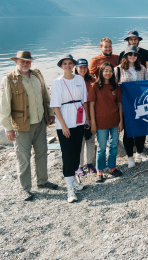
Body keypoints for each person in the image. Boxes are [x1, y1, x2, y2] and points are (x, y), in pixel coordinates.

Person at [0, 51, 58, 201]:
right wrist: (7, 127)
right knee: (23, 157)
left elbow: (45, 94)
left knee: (42, 152)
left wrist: (50, 113)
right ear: (16, 62)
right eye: (22, 61)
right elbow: (4, 105)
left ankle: (43, 181)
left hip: (40, 122)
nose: (25, 64)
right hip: (21, 126)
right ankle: (25, 189)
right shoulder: (9, 79)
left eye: (28, 62)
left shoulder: (37, 75)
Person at [50, 54, 88, 203]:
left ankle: (74, 180)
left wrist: (87, 118)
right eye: (65, 64)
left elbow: (84, 100)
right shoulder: (57, 82)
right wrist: (63, 125)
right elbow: (55, 106)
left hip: (78, 121)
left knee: (76, 151)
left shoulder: (79, 79)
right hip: (65, 123)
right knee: (67, 154)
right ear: (61, 66)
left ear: (74, 65)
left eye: (70, 63)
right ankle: (69, 188)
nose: (68, 66)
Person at [115, 45, 148, 167]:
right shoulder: (118, 70)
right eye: (130, 54)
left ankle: (139, 152)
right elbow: (113, 88)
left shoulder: (142, 69)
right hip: (126, 105)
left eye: (135, 54)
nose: (132, 56)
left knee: (141, 129)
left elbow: (147, 85)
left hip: (140, 104)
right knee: (128, 131)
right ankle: (130, 157)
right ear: (125, 56)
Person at [88, 62, 123, 182]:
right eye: (105, 70)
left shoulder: (115, 86)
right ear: (101, 72)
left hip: (114, 121)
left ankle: (112, 168)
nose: (108, 73)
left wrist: (121, 121)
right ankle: (99, 170)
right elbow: (91, 106)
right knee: (101, 147)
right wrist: (93, 123)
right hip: (101, 123)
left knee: (113, 146)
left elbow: (119, 104)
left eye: (110, 71)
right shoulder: (95, 86)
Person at [75, 59, 96, 177]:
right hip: (77, 115)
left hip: (91, 113)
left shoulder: (92, 80)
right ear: (76, 68)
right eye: (80, 67)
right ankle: (79, 165)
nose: (82, 69)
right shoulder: (73, 80)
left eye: (85, 67)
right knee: (80, 141)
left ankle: (89, 163)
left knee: (91, 139)